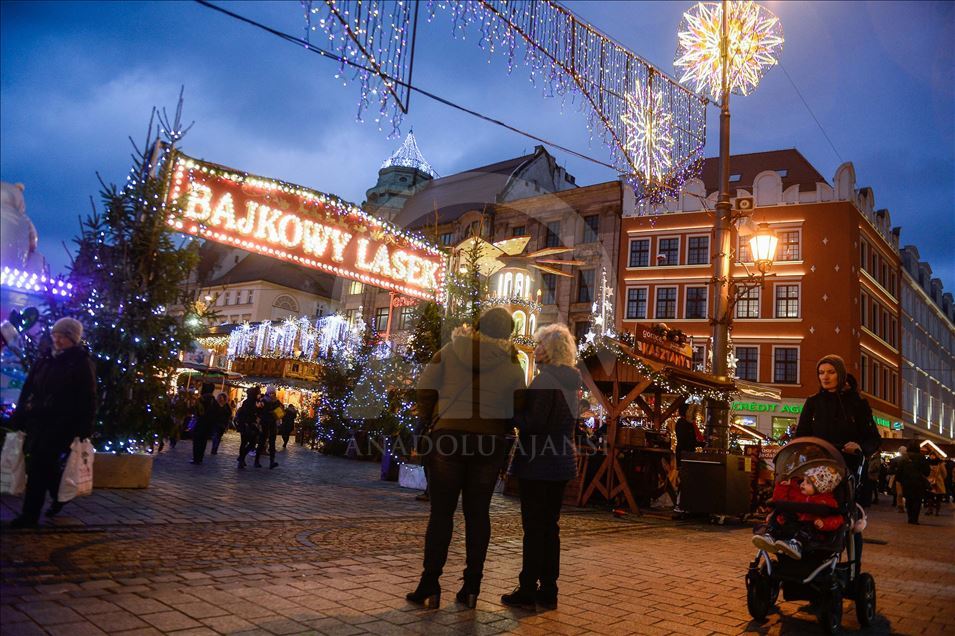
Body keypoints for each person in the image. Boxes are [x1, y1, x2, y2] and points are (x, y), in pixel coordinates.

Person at [406, 308, 526, 609]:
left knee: (441, 514)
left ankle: (430, 584)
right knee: (478, 515)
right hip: (488, 443)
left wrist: (428, 416)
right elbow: (518, 406)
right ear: (508, 333)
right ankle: (471, 588)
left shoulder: (450, 350)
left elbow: (425, 388)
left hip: (447, 438)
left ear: (477, 326)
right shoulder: (512, 364)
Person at [501, 324, 580, 611]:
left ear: (549, 349)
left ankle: (527, 588)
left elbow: (534, 424)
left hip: (539, 464)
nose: (537, 349)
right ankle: (549, 589)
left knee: (534, 529)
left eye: (540, 345)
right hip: (561, 462)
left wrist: (511, 414)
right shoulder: (572, 381)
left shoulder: (545, 380)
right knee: (549, 528)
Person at [10, 318, 97, 529]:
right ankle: (60, 495)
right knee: (42, 465)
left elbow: (88, 397)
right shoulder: (46, 358)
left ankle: (29, 515)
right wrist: (21, 412)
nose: (57, 339)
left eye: (63, 336)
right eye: (55, 335)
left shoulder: (80, 362)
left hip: (61, 423)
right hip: (38, 419)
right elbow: (29, 386)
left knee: (39, 465)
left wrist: (84, 427)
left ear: (73, 338)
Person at [752, 465, 845, 560]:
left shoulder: (828, 502)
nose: (802, 484)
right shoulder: (800, 495)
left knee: (809, 527)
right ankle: (770, 534)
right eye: (803, 481)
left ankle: (796, 544)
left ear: (820, 488)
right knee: (781, 512)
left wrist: (824, 523)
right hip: (794, 527)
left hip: (811, 533)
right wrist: (783, 486)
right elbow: (780, 500)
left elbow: (838, 519)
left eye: (807, 482)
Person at [896, 447, 930, 524]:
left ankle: (910, 517)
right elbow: (927, 471)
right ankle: (915, 518)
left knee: (909, 499)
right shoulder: (921, 457)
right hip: (919, 482)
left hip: (907, 482)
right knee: (917, 500)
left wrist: (899, 479)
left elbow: (899, 471)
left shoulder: (904, 457)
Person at [256, 386, 281, 469]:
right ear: (267, 392)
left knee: (272, 443)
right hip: (265, 423)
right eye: (270, 392)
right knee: (262, 441)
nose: (272, 394)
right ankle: (256, 461)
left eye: (273, 393)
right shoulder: (263, 400)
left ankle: (272, 462)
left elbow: (279, 411)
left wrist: (278, 417)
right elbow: (259, 411)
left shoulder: (276, 401)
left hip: (272, 423)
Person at [191, 383, 216, 464]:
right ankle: (200, 458)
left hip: (200, 422)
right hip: (209, 424)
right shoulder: (213, 399)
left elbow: (197, 410)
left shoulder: (202, 399)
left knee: (197, 441)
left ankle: (196, 458)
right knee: (203, 442)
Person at [235, 387, 260, 469]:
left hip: (245, 425)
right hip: (248, 425)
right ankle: (241, 458)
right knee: (252, 443)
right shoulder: (251, 402)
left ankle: (241, 459)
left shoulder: (248, 402)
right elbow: (249, 414)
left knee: (244, 443)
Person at [673, 402, 699, 467]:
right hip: (685, 452)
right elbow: (685, 439)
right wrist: (697, 443)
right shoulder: (683, 423)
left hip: (685, 451)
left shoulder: (684, 422)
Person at [925, 452, 947, 517]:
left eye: (933, 455)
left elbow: (944, 474)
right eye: (931, 455)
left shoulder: (940, 463)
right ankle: (930, 509)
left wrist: (940, 478)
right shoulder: (927, 462)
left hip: (938, 483)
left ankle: (937, 511)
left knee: (938, 498)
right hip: (930, 482)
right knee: (929, 497)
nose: (932, 456)